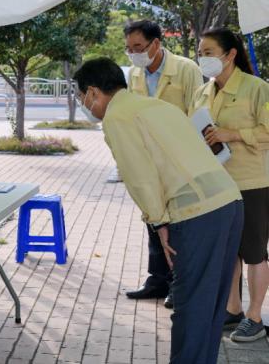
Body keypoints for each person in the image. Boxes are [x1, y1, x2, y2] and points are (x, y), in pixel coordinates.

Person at [74, 57, 242, 364]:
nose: (83, 103)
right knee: (211, 308)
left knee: (191, 308)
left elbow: (140, 177)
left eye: (81, 96)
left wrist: (159, 223)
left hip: (197, 212)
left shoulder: (117, 117)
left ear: (94, 92)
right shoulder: (156, 106)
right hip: (228, 201)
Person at [189, 28, 269, 342]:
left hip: (252, 182)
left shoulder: (256, 88)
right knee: (228, 251)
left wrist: (231, 134)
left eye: (208, 52)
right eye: (200, 53)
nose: (203, 58)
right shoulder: (202, 92)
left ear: (230, 54)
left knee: (254, 252)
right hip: (217, 182)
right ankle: (232, 309)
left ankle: (255, 317)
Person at [123, 20, 203, 308]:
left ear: (156, 43)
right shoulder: (135, 73)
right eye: (129, 49)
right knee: (154, 218)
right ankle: (157, 279)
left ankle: (178, 284)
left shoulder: (186, 69)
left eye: (138, 47)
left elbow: (198, 112)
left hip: (179, 159)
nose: (134, 54)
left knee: (179, 222)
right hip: (149, 158)